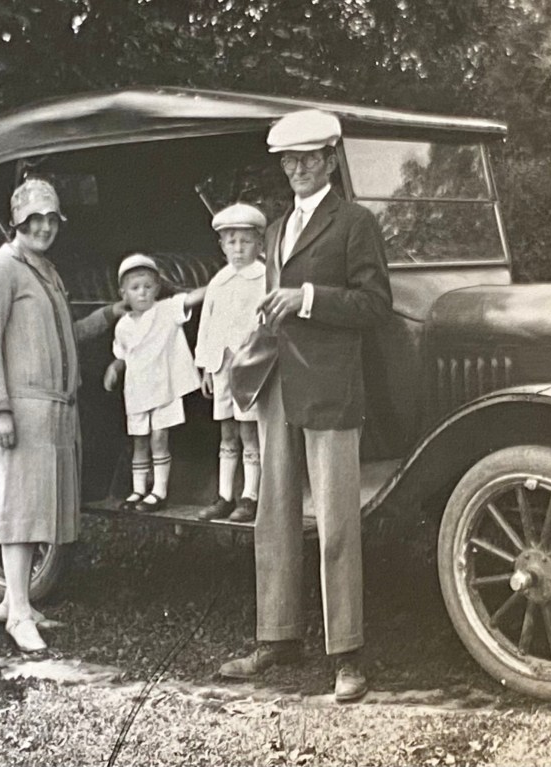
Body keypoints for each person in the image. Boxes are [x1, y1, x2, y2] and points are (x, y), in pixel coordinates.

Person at [219, 110, 393, 702]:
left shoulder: (355, 222)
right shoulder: (273, 231)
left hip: (331, 388)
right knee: (273, 516)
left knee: (337, 524)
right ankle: (277, 638)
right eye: (288, 160)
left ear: (329, 160)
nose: (297, 168)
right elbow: (276, 306)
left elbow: (376, 305)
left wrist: (308, 298)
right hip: (279, 387)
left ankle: (347, 656)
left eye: (308, 158)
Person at [0, 177, 126, 653]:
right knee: (20, 509)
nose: (43, 227)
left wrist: (109, 315)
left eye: (51, 219)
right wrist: (0, 409)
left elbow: (63, 336)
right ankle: (18, 613)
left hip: (55, 410)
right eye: (34, 219)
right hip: (23, 407)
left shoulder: (46, 272)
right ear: (16, 221)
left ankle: (15, 602)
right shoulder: (0, 271)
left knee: (39, 508)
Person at [103, 254, 205, 512]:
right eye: (135, 288)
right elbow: (123, 354)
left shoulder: (166, 310)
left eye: (148, 287)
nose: (142, 293)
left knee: (159, 438)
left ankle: (159, 491)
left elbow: (193, 298)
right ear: (124, 293)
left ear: (157, 288)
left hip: (164, 389)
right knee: (139, 440)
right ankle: (138, 490)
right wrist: (114, 367)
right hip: (137, 391)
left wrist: (227, 278)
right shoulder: (123, 326)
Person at [194, 203, 268, 523]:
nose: (238, 249)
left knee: (249, 431)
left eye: (246, 241)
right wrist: (206, 368)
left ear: (259, 244)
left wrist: (260, 362)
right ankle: (224, 496)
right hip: (222, 368)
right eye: (231, 241)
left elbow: (267, 326)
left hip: (250, 368)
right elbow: (208, 326)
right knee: (227, 431)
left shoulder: (264, 278)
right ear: (222, 245)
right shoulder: (219, 282)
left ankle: (250, 496)